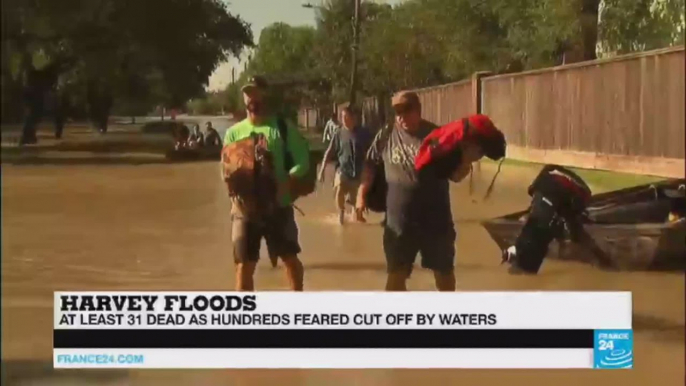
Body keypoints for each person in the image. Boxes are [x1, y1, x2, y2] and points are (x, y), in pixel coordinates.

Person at [356, 91, 487, 292]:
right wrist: (361, 194)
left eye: (406, 111)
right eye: (397, 112)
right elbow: (371, 165)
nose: (401, 117)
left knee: (443, 274)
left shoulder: (439, 137)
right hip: (399, 222)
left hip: (436, 220)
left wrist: (466, 161)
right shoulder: (386, 134)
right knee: (396, 275)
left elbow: (456, 176)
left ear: (418, 110)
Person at [223, 75, 309, 291]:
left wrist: (288, 181)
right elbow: (226, 169)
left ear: (265, 95)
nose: (252, 97)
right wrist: (231, 188)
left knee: (290, 260)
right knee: (243, 265)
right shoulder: (233, 133)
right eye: (248, 93)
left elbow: (303, 160)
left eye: (256, 92)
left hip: (277, 206)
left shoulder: (281, 127)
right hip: (244, 209)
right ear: (244, 99)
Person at [318, 105, 373, 224]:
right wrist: (322, 169)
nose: (344, 119)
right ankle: (341, 213)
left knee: (355, 202)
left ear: (353, 118)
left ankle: (356, 213)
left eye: (346, 116)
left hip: (358, 171)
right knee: (339, 188)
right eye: (342, 117)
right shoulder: (338, 133)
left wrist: (370, 170)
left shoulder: (363, 133)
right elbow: (329, 151)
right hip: (342, 169)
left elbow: (372, 151)